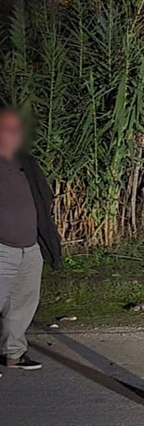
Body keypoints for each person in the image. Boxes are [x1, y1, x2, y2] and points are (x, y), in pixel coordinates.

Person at [0, 109, 62, 372]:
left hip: (29, 247)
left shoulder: (27, 162)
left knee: (23, 305)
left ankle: (13, 354)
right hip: (2, 248)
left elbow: (44, 197)